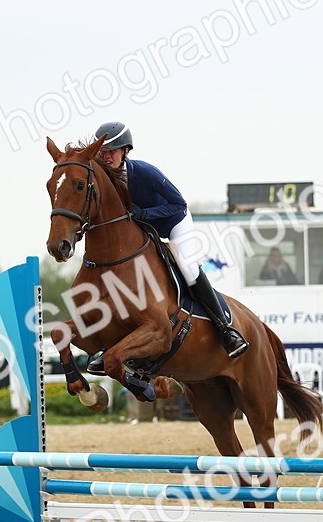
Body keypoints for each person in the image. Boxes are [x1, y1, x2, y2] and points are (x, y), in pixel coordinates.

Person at [93, 121, 248, 358]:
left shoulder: (145, 172)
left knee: (188, 268)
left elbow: (178, 204)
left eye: (112, 151)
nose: (106, 157)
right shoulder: (103, 178)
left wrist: (146, 214)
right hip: (145, 230)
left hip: (174, 223)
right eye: (102, 152)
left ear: (125, 151)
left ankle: (225, 330)